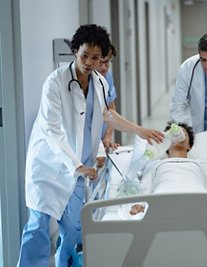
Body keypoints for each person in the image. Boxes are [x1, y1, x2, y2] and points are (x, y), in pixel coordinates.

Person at [17, 24, 112, 267]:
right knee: (38, 227)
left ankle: (65, 263)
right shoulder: (55, 83)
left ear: (102, 58)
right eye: (84, 55)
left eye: (95, 57)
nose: (89, 62)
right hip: (49, 165)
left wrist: (98, 152)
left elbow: (95, 120)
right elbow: (52, 129)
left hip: (80, 167)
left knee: (72, 226)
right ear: (74, 51)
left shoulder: (100, 83)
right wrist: (76, 164)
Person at [129, 121, 207, 215]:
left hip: (197, 199)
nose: (177, 134)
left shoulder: (201, 164)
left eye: (184, 133)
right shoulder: (154, 164)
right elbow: (144, 187)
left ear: (189, 146)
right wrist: (139, 205)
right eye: (172, 134)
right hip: (162, 200)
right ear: (165, 143)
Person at [96, 43, 119, 150]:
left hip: (102, 137)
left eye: (107, 62)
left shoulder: (107, 77)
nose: (104, 68)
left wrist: (108, 137)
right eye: (100, 63)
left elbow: (111, 109)